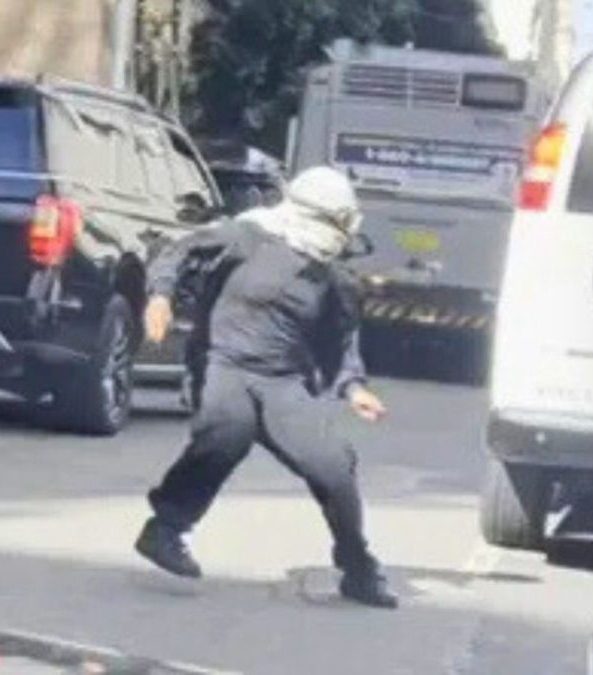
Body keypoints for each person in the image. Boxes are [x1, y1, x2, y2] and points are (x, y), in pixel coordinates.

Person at [134, 166, 397, 609]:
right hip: (223, 361)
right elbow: (178, 252)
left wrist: (353, 388)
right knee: (228, 432)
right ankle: (165, 529)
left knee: (332, 465)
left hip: (283, 381)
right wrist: (160, 296)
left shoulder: (332, 277)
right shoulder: (247, 236)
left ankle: (357, 567)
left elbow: (342, 340)